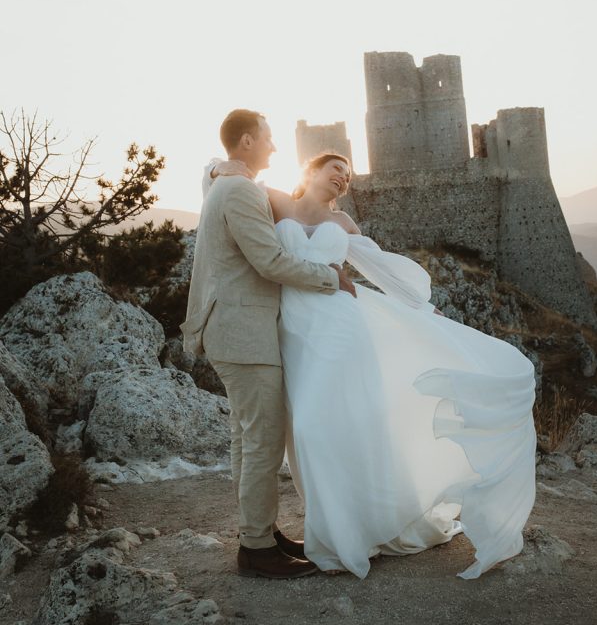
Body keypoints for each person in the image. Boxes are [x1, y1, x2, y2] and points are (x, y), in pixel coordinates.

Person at [205, 149, 537, 580]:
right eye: (335, 169)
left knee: (337, 424)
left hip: (340, 328)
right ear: (312, 170)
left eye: (348, 175)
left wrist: (423, 309)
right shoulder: (276, 202)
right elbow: (223, 179)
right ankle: (307, 529)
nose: (343, 178)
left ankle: (353, 530)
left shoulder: (343, 224)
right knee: (305, 429)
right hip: (293, 333)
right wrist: (218, 166)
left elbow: (381, 270)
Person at [182, 110, 357, 581]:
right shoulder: (237, 190)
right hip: (242, 333)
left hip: (236, 330)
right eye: (268, 139)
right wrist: (330, 279)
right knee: (263, 438)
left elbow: (213, 173)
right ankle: (257, 548)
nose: (275, 148)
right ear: (245, 142)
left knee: (247, 435)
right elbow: (268, 260)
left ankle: (258, 532)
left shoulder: (226, 182)